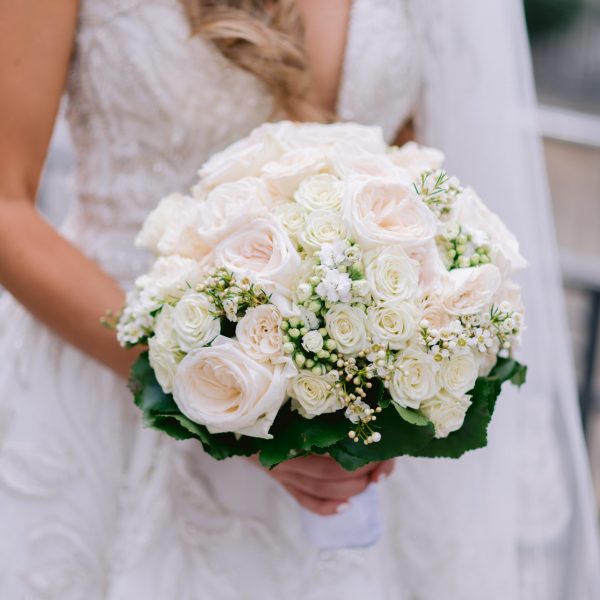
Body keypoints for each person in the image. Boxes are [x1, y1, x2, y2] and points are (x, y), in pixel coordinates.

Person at [0, 1, 597, 598]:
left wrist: (385, 366)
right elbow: (7, 208)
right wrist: (217, 399)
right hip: (103, 381)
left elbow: (413, 158)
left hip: (337, 451)